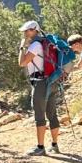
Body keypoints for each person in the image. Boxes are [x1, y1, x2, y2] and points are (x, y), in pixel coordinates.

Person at [19, 19, 61, 155]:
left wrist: (21, 47)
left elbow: (22, 63)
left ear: (34, 30)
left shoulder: (35, 45)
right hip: (52, 81)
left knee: (39, 115)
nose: (25, 33)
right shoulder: (45, 43)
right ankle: (54, 145)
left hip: (40, 82)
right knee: (52, 114)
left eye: (27, 31)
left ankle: (40, 147)